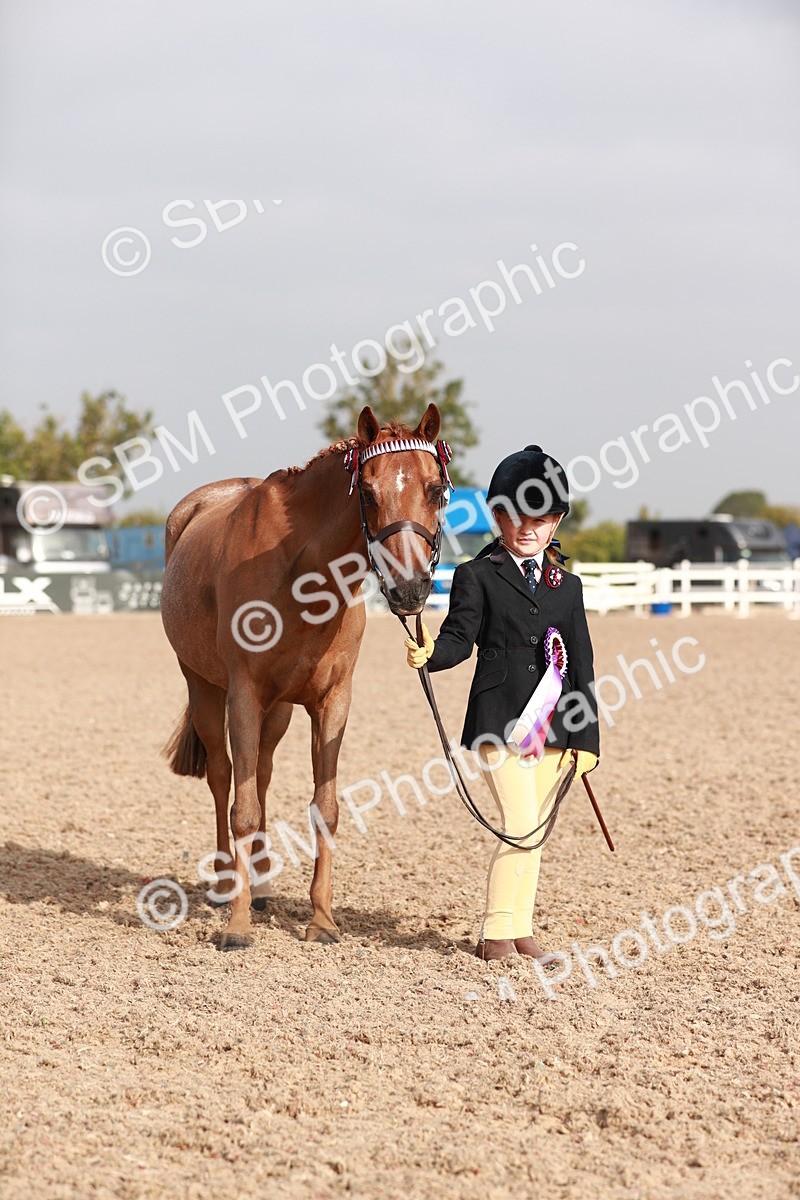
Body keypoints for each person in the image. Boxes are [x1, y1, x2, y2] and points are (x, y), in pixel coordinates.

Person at [404, 444, 599, 962]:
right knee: (517, 825)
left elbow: (581, 665)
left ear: (555, 521)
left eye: (541, 518)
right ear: (498, 517)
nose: (528, 528)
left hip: (556, 729)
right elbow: (459, 638)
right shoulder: (479, 575)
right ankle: (494, 935)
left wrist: (587, 741)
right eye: (515, 517)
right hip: (499, 723)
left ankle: (521, 929)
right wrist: (431, 654)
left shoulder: (569, 587)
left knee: (534, 833)